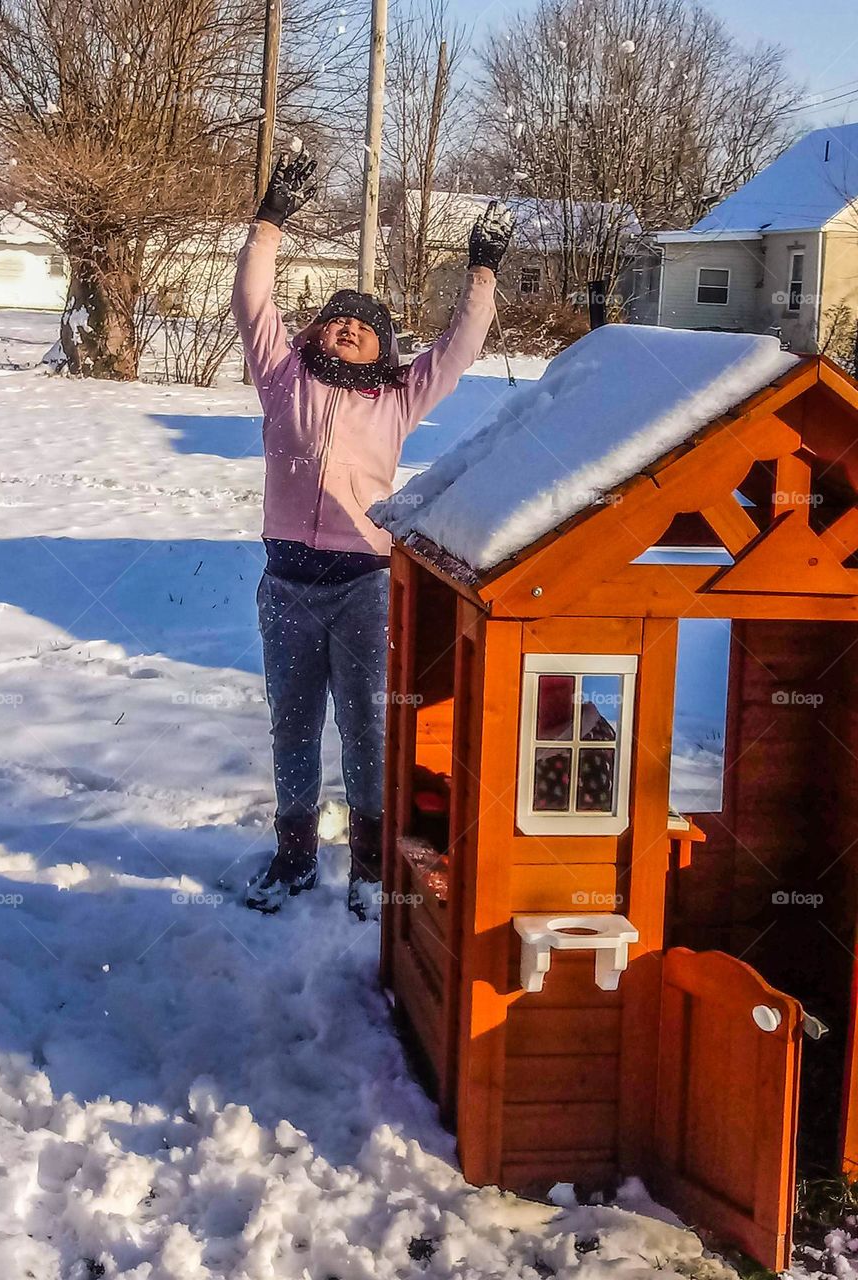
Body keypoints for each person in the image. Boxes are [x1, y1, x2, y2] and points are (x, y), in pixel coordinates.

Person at [231, 150, 514, 918]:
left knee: (367, 727)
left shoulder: (397, 398)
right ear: (316, 332)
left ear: (385, 350)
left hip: (363, 584)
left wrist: (481, 274)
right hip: (286, 582)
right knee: (292, 723)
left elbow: (458, 349)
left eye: (365, 324)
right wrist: (270, 221)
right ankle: (294, 859)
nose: (347, 326)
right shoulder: (282, 377)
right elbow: (253, 300)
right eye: (337, 318)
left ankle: (368, 867)